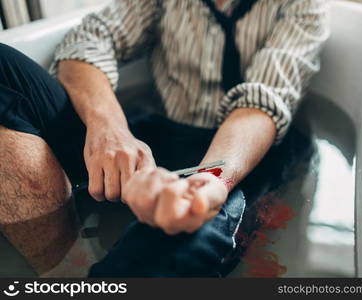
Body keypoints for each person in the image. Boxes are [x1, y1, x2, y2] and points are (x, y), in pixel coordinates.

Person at [0, 0, 329, 277]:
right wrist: (111, 132)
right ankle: (67, 267)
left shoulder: (301, 5)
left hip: (240, 155)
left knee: (181, 240)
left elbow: (262, 103)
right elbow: (86, 43)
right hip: (150, 134)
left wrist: (209, 179)